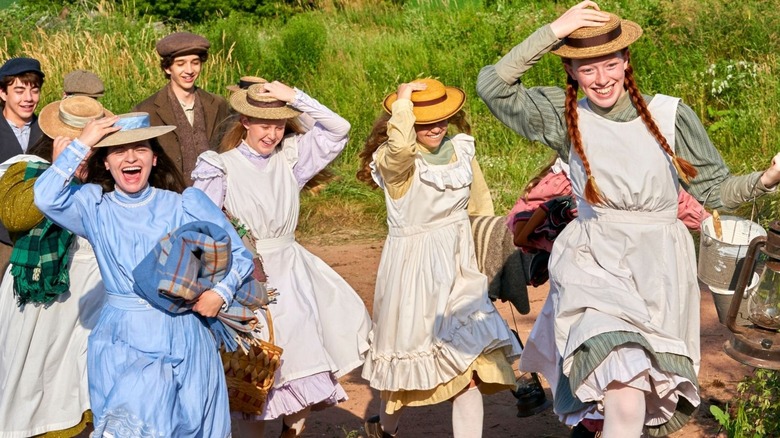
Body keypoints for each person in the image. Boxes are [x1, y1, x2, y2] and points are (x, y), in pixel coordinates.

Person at [476, 1, 780, 435]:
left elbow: (713, 191)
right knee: (621, 374)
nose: (600, 79)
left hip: (658, 270)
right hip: (593, 263)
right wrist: (554, 30)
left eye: (608, 64)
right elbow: (493, 84)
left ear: (625, 60)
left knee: (632, 397)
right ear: (571, 73)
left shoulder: (671, 117)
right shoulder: (565, 116)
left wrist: (768, 177)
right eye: (586, 68)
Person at [33, 111, 254, 437]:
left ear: (153, 158)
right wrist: (83, 143)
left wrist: (219, 294)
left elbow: (239, 256)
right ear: (105, 163)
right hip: (121, 340)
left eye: (140, 149)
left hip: (183, 336)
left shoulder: (183, 205)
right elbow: (45, 196)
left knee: (187, 427)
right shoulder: (94, 209)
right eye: (119, 151)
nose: (131, 157)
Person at [192, 80, 371, 437]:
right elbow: (199, 226)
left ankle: (291, 431)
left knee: (304, 358)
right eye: (264, 124)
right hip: (245, 274)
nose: (272, 134)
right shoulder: (219, 165)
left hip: (293, 271)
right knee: (254, 372)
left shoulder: (291, 158)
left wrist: (294, 97)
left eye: (278, 125)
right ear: (245, 120)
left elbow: (340, 128)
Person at [356, 78, 522, 438]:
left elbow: (480, 207)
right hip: (414, 273)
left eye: (442, 117)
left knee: (469, 369)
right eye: (424, 120)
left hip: (461, 267)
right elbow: (400, 150)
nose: (435, 126)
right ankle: (384, 430)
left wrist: (489, 260)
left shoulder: (462, 150)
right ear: (406, 122)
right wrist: (402, 102)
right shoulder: (393, 159)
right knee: (404, 369)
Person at [0, 97, 108, 438]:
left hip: (88, 303)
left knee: (78, 391)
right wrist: (61, 168)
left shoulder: (106, 172)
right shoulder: (26, 166)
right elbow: (15, 215)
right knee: (31, 388)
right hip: (38, 302)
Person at [134, 31, 229, 184]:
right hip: (168, 200)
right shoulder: (145, 111)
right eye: (181, 64)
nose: (190, 70)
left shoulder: (218, 104)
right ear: (167, 68)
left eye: (195, 63)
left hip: (214, 198)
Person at [0, 57, 45, 281]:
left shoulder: (48, 131)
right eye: (19, 90)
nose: (28, 98)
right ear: (2, 93)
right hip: (3, 240)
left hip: (40, 239)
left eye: (34, 90)